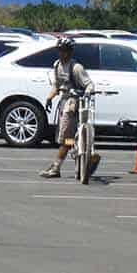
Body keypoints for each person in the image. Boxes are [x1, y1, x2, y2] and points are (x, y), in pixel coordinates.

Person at [40, 36, 97, 178]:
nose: (63, 53)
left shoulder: (76, 68)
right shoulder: (57, 66)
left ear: (71, 51)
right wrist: (49, 97)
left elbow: (89, 84)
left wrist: (88, 92)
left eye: (66, 50)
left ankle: (56, 167)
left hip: (73, 102)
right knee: (66, 137)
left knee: (65, 137)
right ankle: (75, 145)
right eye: (60, 50)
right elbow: (57, 85)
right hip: (63, 100)